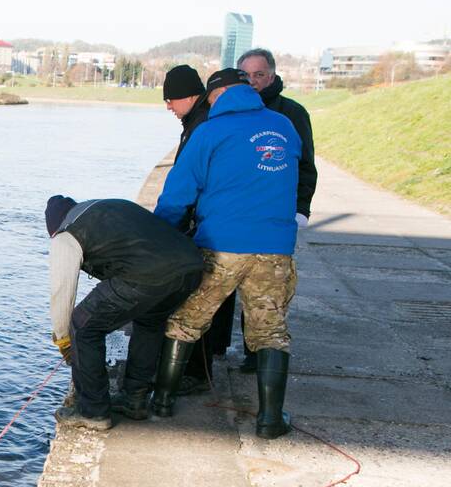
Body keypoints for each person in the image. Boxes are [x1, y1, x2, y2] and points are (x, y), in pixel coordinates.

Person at [152, 69, 301, 439]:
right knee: (270, 332)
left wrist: (157, 233)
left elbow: (177, 194)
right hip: (275, 247)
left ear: (217, 95)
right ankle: (269, 420)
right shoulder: (284, 126)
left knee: (186, 320)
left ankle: (162, 401)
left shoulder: (210, 131)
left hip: (222, 245)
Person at [47, 196, 204, 429]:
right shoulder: (107, 208)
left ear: (53, 228)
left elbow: (61, 292)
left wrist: (63, 339)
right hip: (191, 267)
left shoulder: (66, 234)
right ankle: (135, 399)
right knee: (150, 321)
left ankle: (93, 411)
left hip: (148, 273)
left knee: (83, 326)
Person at [237, 47, 318, 373]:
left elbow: (307, 166)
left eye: (260, 75)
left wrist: (301, 209)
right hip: (238, 212)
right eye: (248, 76)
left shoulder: (292, 114)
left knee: (266, 290)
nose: (254, 82)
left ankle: (255, 354)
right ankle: (217, 351)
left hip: (275, 217)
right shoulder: (235, 111)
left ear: (272, 76)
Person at [162, 64, 236, 396]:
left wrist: (163, 228)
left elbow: (185, 184)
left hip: (207, 226)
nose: (168, 106)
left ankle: (190, 375)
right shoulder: (198, 121)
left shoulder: (203, 126)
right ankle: (204, 363)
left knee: (197, 304)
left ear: (191, 95)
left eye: (171, 99)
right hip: (226, 224)